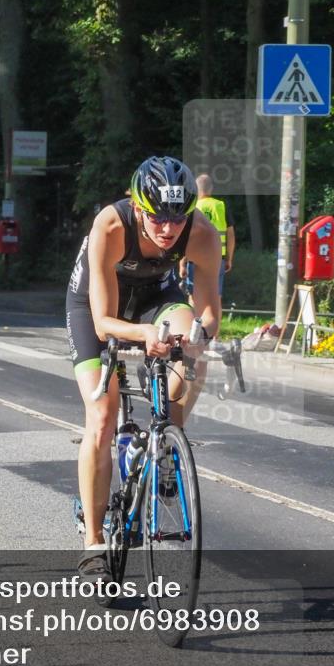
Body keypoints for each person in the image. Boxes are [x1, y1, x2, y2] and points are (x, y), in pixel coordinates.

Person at [66, 156, 222, 581]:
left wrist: (197, 340)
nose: (168, 229)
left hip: (157, 296)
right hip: (99, 306)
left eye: (177, 218)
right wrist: (144, 335)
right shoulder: (111, 226)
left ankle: (165, 443)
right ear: (138, 207)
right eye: (157, 217)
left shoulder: (202, 234)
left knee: (195, 352)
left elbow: (210, 315)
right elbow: (103, 322)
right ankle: (94, 544)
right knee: (101, 414)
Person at [179, 174, 234, 306]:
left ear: (196, 189)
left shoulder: (192, 207)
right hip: (217, 257)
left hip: (194, 257)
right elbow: (230, 235)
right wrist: (229, 258)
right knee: (216, 295)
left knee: (193, 295)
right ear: (211, 189)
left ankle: (193, 326)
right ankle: (214, 326)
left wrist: (181, 262)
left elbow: (184, 236)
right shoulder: (221, 206)